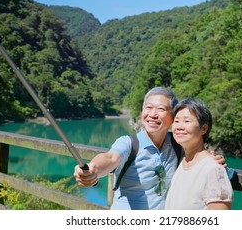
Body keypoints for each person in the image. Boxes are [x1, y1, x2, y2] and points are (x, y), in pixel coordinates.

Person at [74, 86, 227, 210]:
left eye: (160, 109)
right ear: (142, 112)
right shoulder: (129, 143)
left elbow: (197, 158)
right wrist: (92, 168)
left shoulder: (177, 144)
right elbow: (110, 157)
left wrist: (211, 161)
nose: (152, 114)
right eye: (148, 108)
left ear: (172, 117)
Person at [165, 97, 233, 210]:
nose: (179, 127)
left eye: (187, 121)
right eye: (176, 121)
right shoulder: (182, 162)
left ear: (204, 128)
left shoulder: (213, 170)